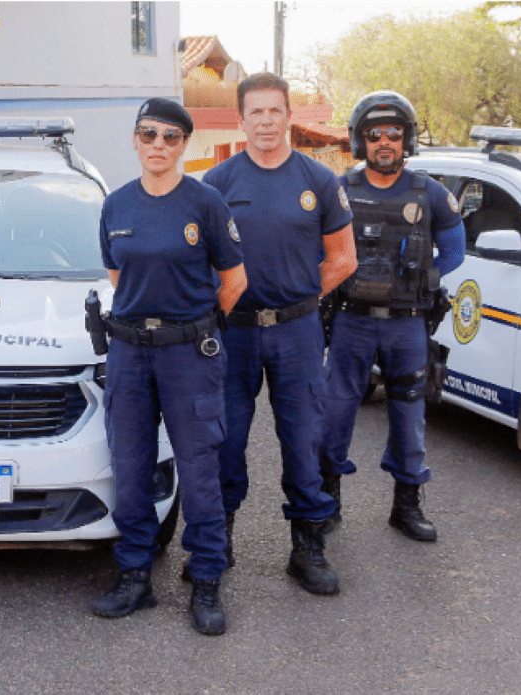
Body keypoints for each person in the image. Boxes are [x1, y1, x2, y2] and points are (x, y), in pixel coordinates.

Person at [91, 98, 247, 635]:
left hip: (189, 355)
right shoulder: (115, 206)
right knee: (130, 469)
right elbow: (118, 279)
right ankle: (135, 576)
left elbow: (234, 282)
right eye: (148, 134)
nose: (159, 145)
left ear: (185, 145)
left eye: (171, 137)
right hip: (131, 353)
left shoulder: (205, 203)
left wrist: (194, 331)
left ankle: (205, 580)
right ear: (135, 140)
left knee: (200, 471)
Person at [202, 73, 357, 596]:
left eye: (275, 111)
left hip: (297, 331)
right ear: (241, 119)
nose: (266, 121)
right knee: (224, 439)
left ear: (288, 115)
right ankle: (217, 544)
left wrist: (300, 295)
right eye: (255, 113)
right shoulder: (217, 184)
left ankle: (307, 548)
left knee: (303, 437)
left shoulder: (318, 179)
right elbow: (198, 263)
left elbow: (343, 258)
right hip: (235, 332)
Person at [318, 91, 465, 541]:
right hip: (351, 321)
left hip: (407, 324)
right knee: (337, 410)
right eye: (375, 135)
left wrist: (426, 276)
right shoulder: (340, 191)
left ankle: (406, 506)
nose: (385, 142)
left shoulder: (431, 193)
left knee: (409, 413)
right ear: (361, 141)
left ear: (408, 141)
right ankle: (327, 501)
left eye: (394, 135)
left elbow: (455, 252)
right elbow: (316, 252)